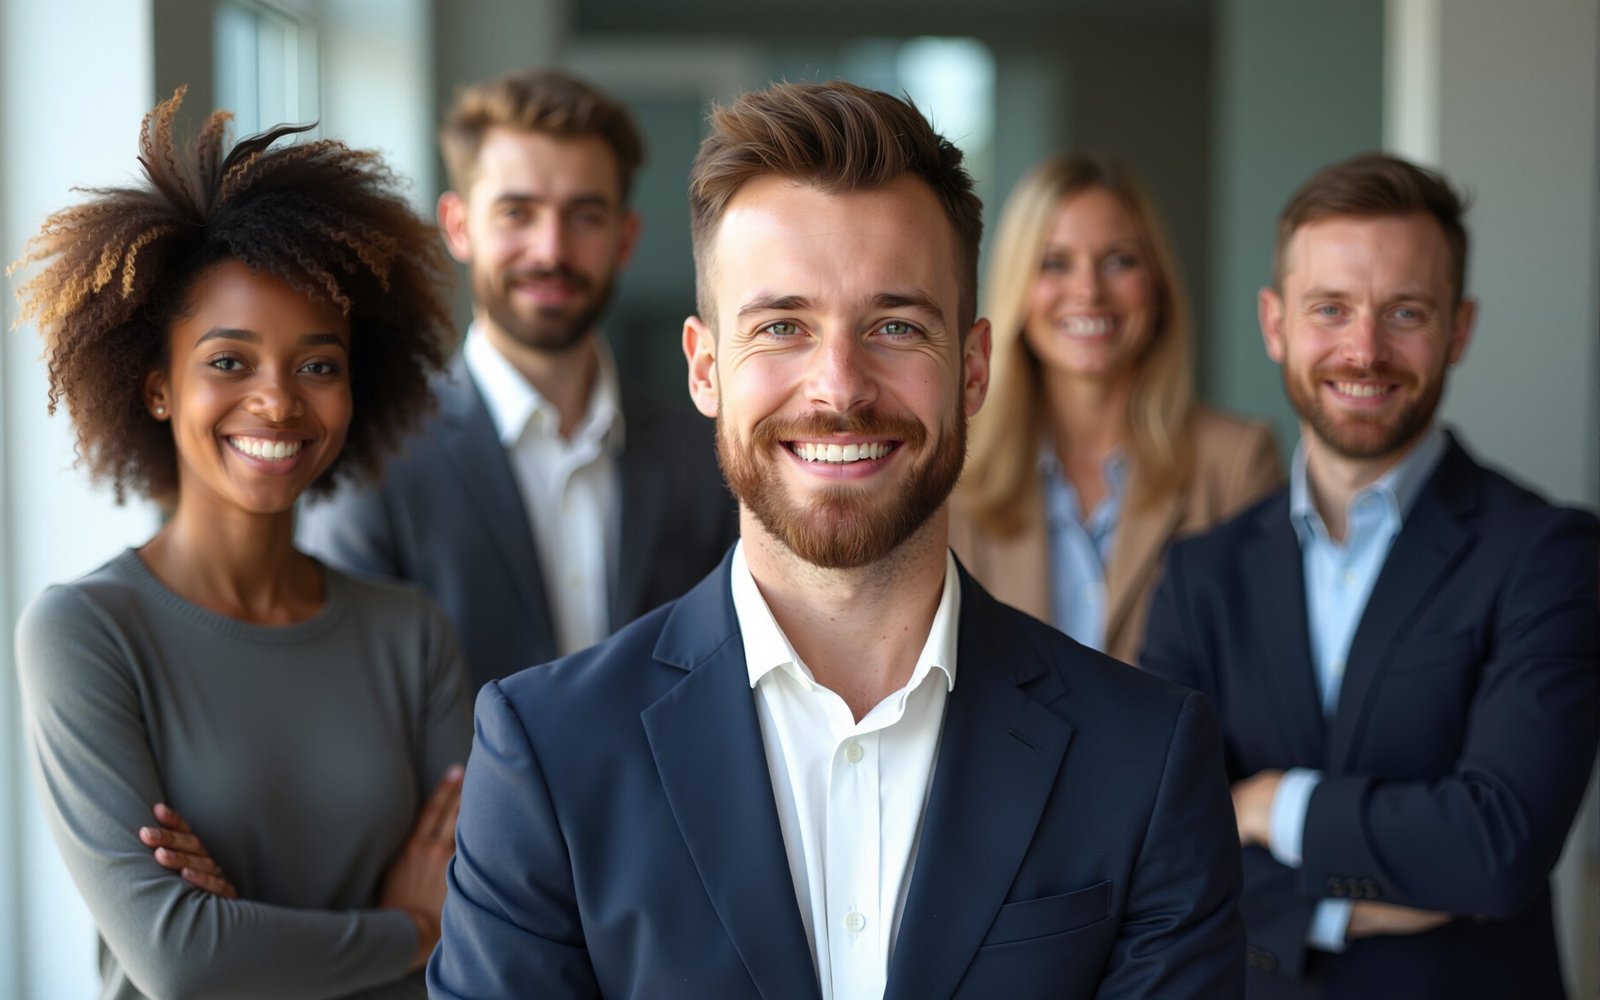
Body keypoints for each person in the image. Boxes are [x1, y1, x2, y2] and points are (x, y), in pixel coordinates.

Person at [428, 80, 1245, 999]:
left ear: (972, 367)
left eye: (895, 326)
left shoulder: (1146, 756)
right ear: (706, 368)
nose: (839, 386)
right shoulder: (546, 755)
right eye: (783, 326)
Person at [12, 88, 472, 999]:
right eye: (229, 361)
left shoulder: (410, 637)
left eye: (318, 364)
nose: (278, 401)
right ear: (155, 388)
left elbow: (484, 917)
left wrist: (252, 931)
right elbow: (182, 959)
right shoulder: (84, 634)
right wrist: (407, 927)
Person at [1142, 153, 1599, 998]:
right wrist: (1364, 893)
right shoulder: (1202, 574)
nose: (1364, 348)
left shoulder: (1550, 557)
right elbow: (1154, 850)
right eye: (1331, 309)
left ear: (1459, 328)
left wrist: (1273, 806)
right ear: (1275, 324)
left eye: (1406, 312)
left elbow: (1497, 852)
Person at [298, 68, 737, 691]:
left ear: (625, 238)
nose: (549, 249)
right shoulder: (372, 461)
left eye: (584, 215)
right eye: (517, 212)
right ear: (458, 226)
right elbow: (344, 694)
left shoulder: (705, 451)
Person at [952, 154, 1280, 664]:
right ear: (1017, 287)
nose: (1088, 291)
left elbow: (1258, 677)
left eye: (1119, 261)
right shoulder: (955, 466)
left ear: (1158, 285)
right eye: (1055, 263)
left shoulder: (1237, 462)